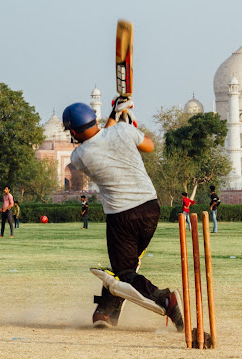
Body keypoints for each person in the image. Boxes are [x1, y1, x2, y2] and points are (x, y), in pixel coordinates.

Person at [63, 100, 183, 330]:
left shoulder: (79, 156)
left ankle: (165, 299)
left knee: (124, 272)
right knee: (127, 266)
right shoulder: (123, 131)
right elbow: (148, 146)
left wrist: (116, 116)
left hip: (121, 216)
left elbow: (98, 139)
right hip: (150, 208)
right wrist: (126, 122)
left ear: (74, 130)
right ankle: (106, 312)